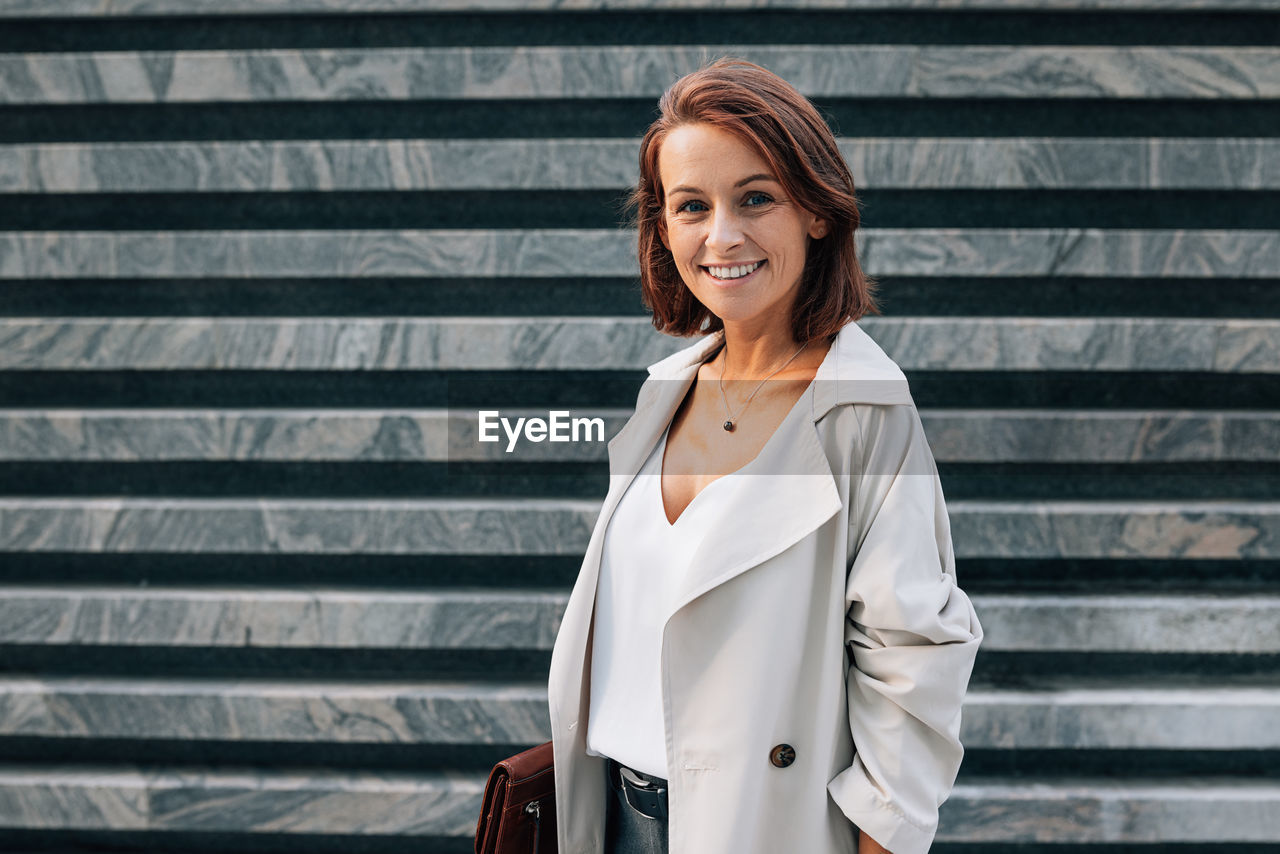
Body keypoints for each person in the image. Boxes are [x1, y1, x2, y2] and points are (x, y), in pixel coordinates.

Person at [546, 56, 983, 854]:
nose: (722, 236)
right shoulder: (667, 389)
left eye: (755, 198)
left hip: (760, 827)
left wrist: (882, 842)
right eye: (691, 206)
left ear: (816, 211)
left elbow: (915, 655)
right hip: (613, 816)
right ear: (663, 226)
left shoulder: (863, 409)